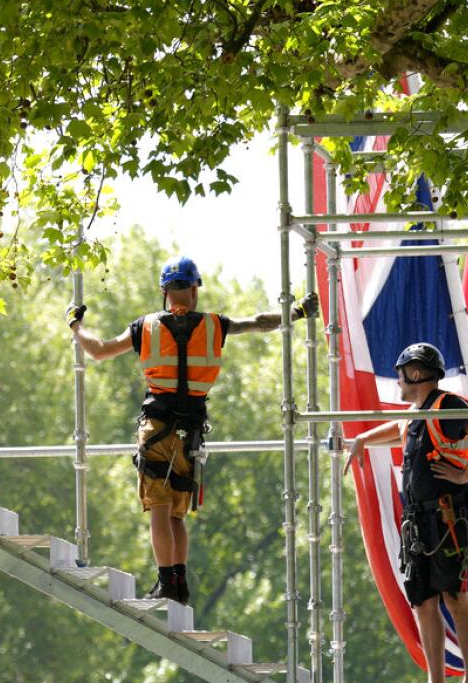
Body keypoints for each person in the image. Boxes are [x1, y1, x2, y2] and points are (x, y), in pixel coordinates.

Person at [68, 256, 317, 604]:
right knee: (176, 513)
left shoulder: (145, 327)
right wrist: (297, 313)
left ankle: (166, 580)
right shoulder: (215, 325)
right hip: (191, 433)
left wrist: (76, 325)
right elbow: (260, 322)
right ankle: (179, 583)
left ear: (164, 292)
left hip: (156, 427)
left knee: (157, 505)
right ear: (195, 289)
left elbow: (99, 351)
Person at [346, 342, 468, 683]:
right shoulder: (419, 412)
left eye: (401, 375)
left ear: (414, 373)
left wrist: (465, 475)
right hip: (418, 522)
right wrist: (364, 439)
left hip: (447, 518)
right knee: (423, 599)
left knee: (455, 596)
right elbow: (400, 427)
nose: (398, 381)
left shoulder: (447, 405)